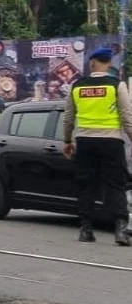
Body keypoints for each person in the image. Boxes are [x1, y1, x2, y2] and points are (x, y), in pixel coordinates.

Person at [61, 46, 132, 245]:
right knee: (116, 185)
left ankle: (86, 230)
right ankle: (120, 230)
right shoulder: (116, 85)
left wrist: (67, 141)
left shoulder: (77, 86)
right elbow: (127, 118)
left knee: (86, 185)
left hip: (84, 142)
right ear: (109, 64)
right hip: (111, 141)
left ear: (92, 63)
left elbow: (68, 118)